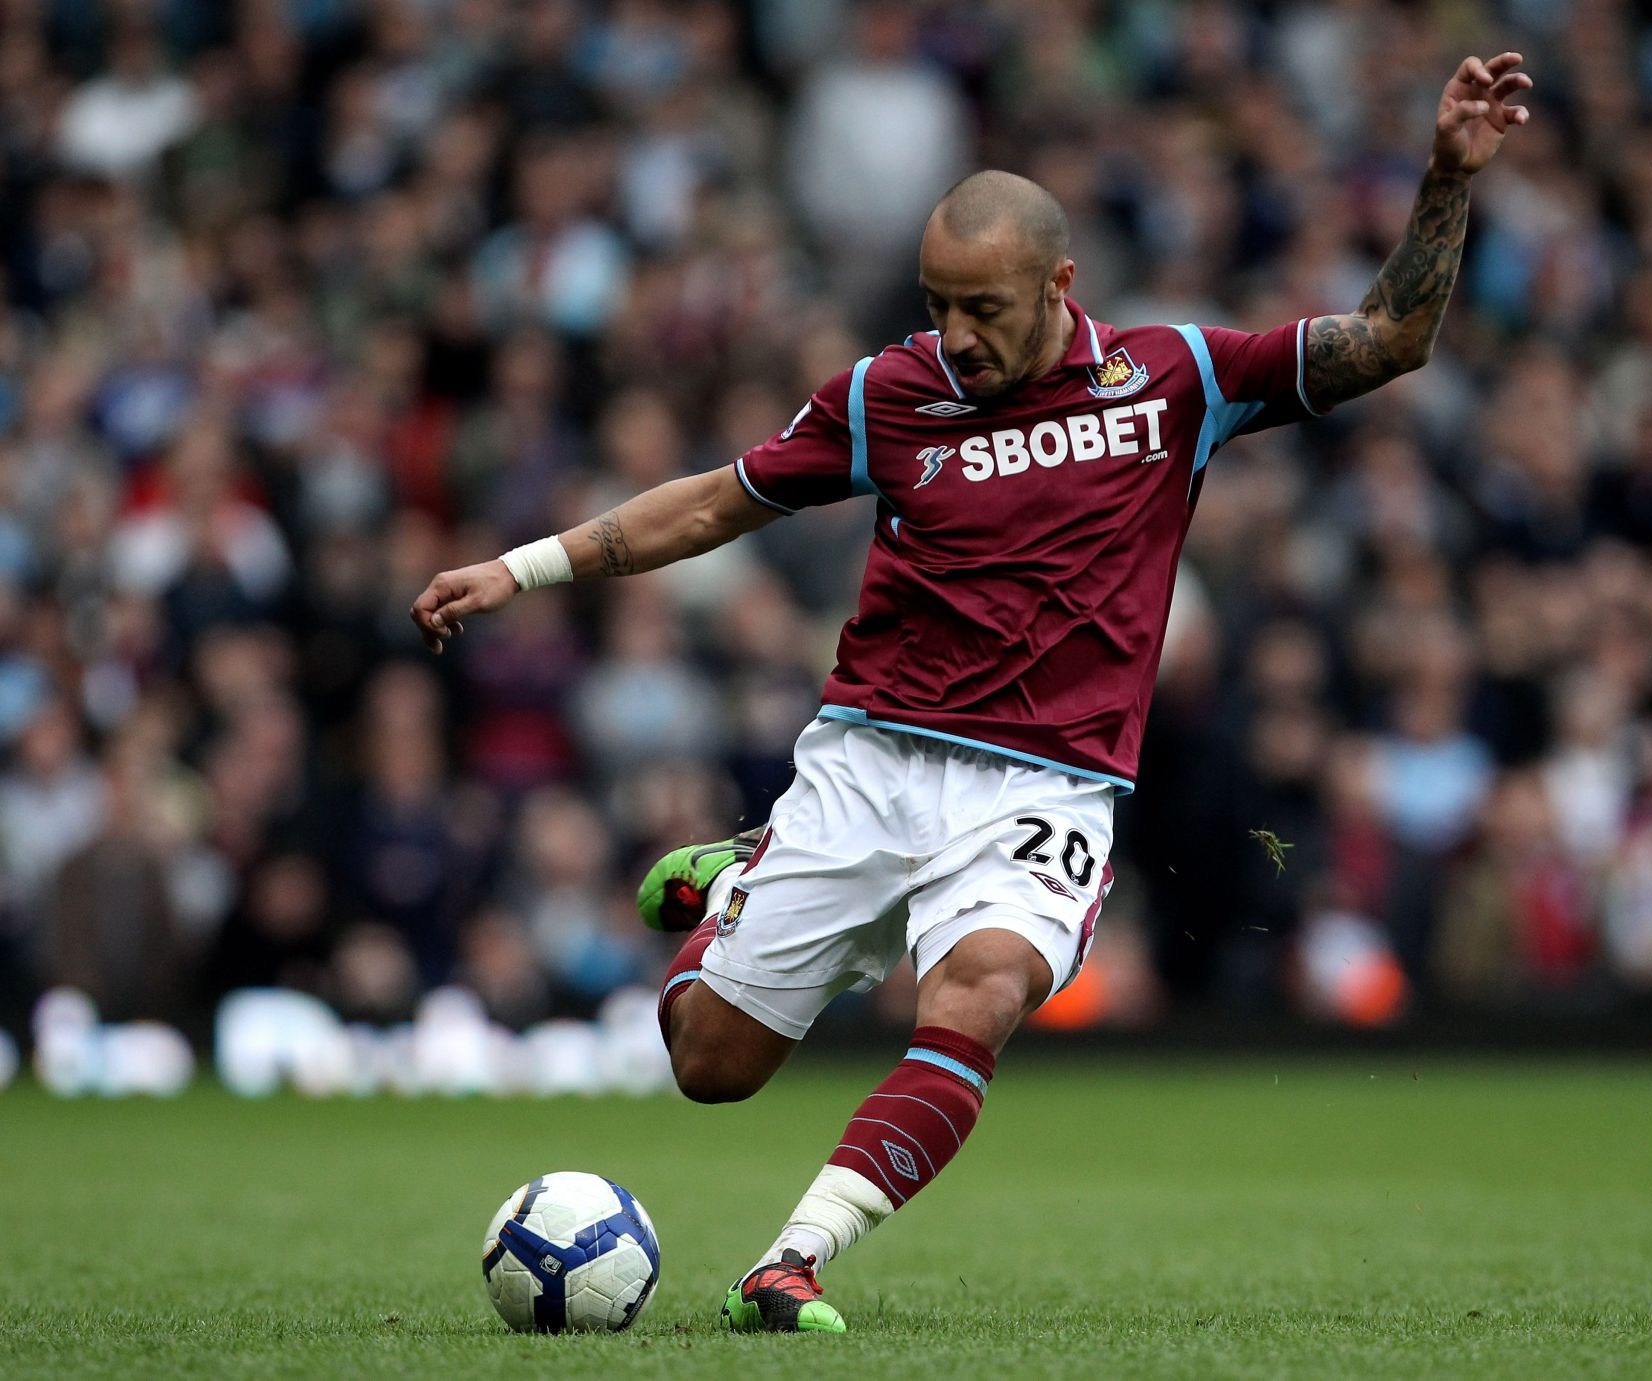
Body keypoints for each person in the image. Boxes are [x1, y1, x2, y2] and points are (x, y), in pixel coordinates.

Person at [411, 53, 1533, 1335]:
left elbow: (1389, 340)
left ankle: (793, 1259)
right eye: (937, 304)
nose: (956, 335)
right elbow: (719, 498)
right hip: (873, 758)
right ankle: (742, 880)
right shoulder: (890, 396)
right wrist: (521, 568)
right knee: (709, 1065)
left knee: (981, 991)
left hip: (1050, 785)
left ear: (1061, 286)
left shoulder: (1174, 381)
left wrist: (1445, 177)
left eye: (983, 308)